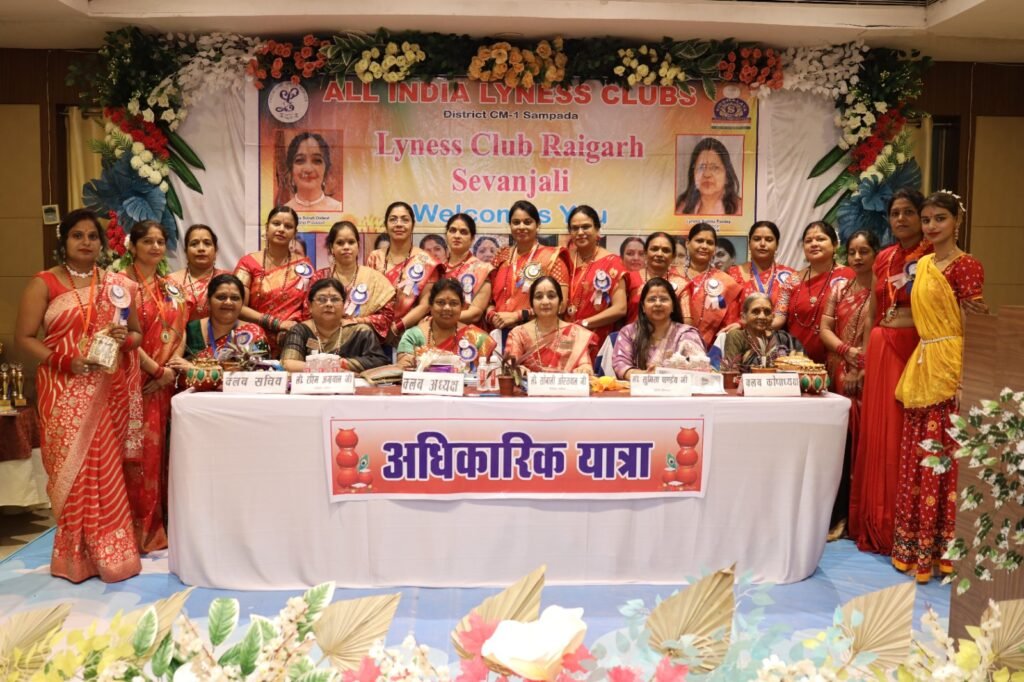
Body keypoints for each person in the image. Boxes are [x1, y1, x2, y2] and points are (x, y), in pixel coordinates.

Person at [14, 209, 144, 583]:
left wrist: (124, 339)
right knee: (69, 473)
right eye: (77, 235)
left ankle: (111, 555)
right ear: (64, 241)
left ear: (101, 244)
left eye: (92, 236)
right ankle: (73, 557)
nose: (85, 242)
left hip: (105, 391)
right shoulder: (44, 283)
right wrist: (65, 361)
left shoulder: (118, 286)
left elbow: (136, 334)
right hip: (61, 388)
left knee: (105, 470)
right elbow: (24, 338)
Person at [892, 191, 986, 583]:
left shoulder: (967, 266)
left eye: (940, 219)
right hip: (924, 361)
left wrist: (966, 378)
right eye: (927, 219)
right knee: (918, 457)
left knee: (946, 461)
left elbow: (974, 323)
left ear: (957, 221)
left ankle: (946, 553)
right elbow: (915, 318)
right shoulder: (924, 264)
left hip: (952, 365)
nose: (931, 226)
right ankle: (916, 549)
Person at [849, 189, 932, 556]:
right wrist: (866, 359)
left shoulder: (933, 257)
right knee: (878, 434)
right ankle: (877, 520)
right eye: (895, 213)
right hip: (882, 347)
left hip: (916, 349)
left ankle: (904, 523)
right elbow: (872, 310)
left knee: (903, 434)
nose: (901, 219)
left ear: (921, 216)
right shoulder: (883, 258)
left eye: (909, 212)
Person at [121, 220, 187, 553]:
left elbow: (181, 330)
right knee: (138, 459)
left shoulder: (171, 287)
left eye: (160, 241)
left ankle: (161, 526)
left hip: (165, 384)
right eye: (148, 241)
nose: (156, 247)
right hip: (132, 382)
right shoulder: (120, 285)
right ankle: (136, 532)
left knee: (164, 457)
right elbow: (122, 335)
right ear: (132, 246)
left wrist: (169, 369)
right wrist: (154, 370)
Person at [819, 230, 879, 541]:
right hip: (839, 373)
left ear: (876, 254)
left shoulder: (883, 290)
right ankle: (838, 514)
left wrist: (863, 362)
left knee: (865, 445)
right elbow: (825, 328)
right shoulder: (839, 288)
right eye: (852, 252)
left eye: (864, 251)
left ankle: (861, 518)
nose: (857, 257)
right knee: (839, 447)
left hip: (871, 376)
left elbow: (880, 329)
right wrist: (846, 351)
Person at [235, 206, 314, 356]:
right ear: (267, 227)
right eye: (276, 223)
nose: (281, 229)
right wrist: (277, 323)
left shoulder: (304, 266)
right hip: (255, 335)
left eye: (288, 226)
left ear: (294, 233)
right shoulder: (248, 263)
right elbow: (238, 307)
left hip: (291, 336)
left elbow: (308, 309)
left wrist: (291, 327)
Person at [775, 221, 854, 364]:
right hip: (796, 361)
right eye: (808, 241)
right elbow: (779, 317)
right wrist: (750, 324)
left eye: (820, 239)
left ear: (835, 245)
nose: (814, 244)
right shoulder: (792, 280)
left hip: (839, 359)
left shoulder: (850, 277)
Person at [487, 200, 569, 337]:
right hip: (500, 334)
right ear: (510, 225)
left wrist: (518, 315)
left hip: (537, 335)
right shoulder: (502, 256)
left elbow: (561, 305)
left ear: (537, 225)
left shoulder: (552, 258)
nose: (521, 227)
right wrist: (493, 316)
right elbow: (488, 300)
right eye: (516, 222)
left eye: (527, 222)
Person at [364, 201, 441, 344]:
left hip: (411, 333)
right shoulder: (375, 257)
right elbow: (367, 299)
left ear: (413, 225)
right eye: (393, 219)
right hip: (375, 332)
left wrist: (396, 327)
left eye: (405, 220)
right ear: (386, 225)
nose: (399, 224)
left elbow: (425, 305)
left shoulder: (426, 261)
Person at [280, 279, 390, 372]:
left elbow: (379, 362)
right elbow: (288, 363)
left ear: (344, 306)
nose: (329, 304)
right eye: (321, 299)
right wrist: (330, 368)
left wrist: (341, 363)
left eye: (335, 299)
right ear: (310, 307)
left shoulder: (361, 332)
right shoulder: (300, 330)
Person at [311, 221, 396, 342]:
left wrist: (356, 322)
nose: (346, 247)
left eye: (351, 242)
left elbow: (387, 317)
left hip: (362, 343)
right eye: (340, 243)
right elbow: (309, 312)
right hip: (325, 342)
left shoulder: (374, 279)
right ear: (331, 247)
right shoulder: (320, 277)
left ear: (358, 246)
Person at [563, 205, 628, 355]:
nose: (580, 232)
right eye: (575, 228)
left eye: (586, 227)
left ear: (597, 229)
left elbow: (620, 308)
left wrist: (584, 323)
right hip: (564, 339)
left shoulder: (612, 263)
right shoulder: (563, 259)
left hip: (596, 339)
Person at [613, 277, 704, 379]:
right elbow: (620, 365)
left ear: (673, 306)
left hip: (677, 387)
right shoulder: (629, 332)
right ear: (643, 307)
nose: (658, 304)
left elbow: (700, 369)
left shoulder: (687, 334)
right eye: (652, 299)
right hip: (637, 386)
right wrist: (645, 375)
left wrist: (662, 375)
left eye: (664, 299)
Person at [168, 274, 270, 365]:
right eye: (221, 297)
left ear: (242, 303)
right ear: (208, 301)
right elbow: (175, 364)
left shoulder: (255, 333)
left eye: (235, 298)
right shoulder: (191, 329)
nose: (228, 302)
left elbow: (261, 370)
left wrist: (195, 370)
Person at [396, 279, 496, 370]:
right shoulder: (413, 336)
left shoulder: (477, 337)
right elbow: (403, 371)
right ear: (430, 306)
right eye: (441, 302)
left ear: (462, 307)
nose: (447, 308)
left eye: (453, 303)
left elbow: (488, 376)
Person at [505, 276, 596, 374]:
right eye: (539, 297)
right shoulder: (519, 333)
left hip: (566, 384)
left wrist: (584, 368)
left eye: (551, 296)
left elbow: (585, 364)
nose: (545, 302)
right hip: (529, 384)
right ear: (531, 304)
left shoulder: (575, 333)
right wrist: (517, 369)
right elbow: (509, 366)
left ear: (560, 302)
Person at [681, 223, 742, 348]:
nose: (704, 246)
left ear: (714, 249)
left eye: (709, 243)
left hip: (711, 351)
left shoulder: (726, 283)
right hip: (671, 348)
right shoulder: (672, 276)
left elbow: (729, 324)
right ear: (687, 243)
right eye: (699, 241)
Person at [723, 293, 804, 372]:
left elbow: (804, 369)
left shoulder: (784, 339)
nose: (762, 316)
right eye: (755, 311)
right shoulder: (737, 337)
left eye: (767, 312)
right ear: (743, 317)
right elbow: (731, 373)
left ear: (772, 316)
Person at [726, 221, 796, 308]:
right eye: (757, 239)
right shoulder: (732, 274)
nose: (762, 244)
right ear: (749, 243)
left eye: (769, 240)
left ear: (777, 245)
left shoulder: (790, 276)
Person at [167, 224, 228, 321]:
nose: (201, 248)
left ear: (215, 250)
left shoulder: (227, 280)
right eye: (194, 244)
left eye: (207, 243)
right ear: (186, 251)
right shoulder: (171, 281)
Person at [625, 232, 691, 324]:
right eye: (654, 249)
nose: (659, 254)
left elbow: (686, 320)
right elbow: (619, 314)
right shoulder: (629, 279)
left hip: (671, 333)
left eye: (666, 250)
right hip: (633, 332)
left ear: (673, 256)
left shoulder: (682, 284)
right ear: (645, 253)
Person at [443, 213, 493, 324]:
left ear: (472, 238)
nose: (457, 236)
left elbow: (475, 314)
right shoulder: (438, 268)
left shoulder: (482, 269)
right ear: (446, 235)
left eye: (463, 232)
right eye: (452, 230)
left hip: (467, 331)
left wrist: (440, 318)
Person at [675, 137, 741, 215]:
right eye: (701, 167)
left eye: (714, 168)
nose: (707, 174)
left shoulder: (741, 209)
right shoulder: (682, 209)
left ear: (727, 176)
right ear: (693, 174)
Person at [283, 131, 343, 212]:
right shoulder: (283, 212)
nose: (308, 169)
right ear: (291, 169)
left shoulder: (338, 209)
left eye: (317, 161)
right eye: (300, 160)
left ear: (326, 169)